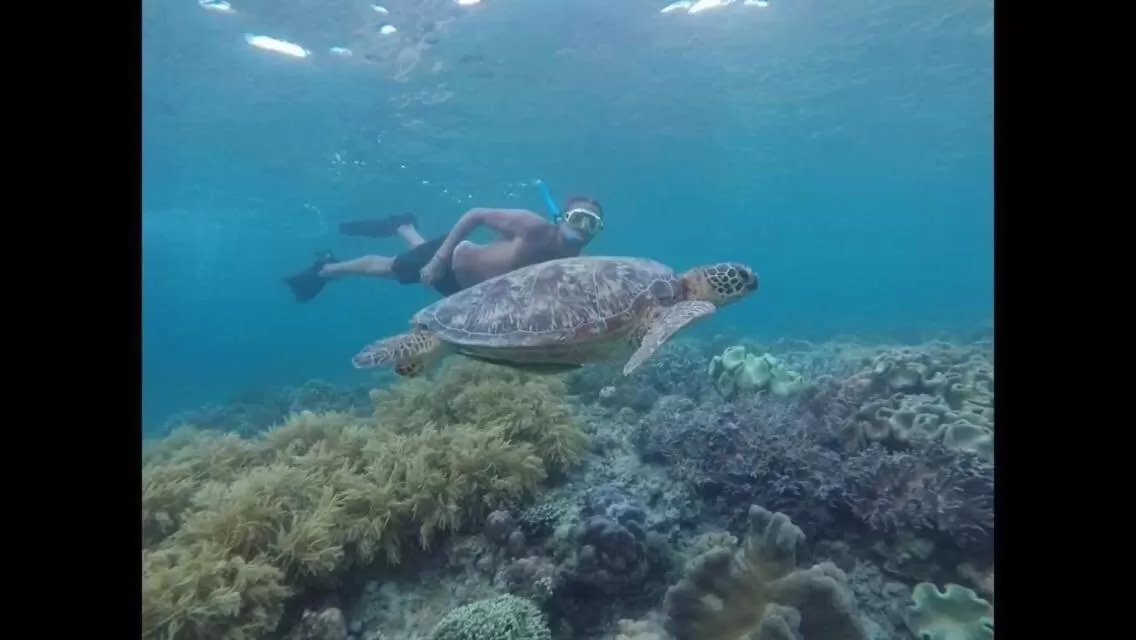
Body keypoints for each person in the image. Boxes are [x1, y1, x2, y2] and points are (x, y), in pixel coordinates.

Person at [284, 196, 605, 302]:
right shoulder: (533, 227)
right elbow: (475, 215)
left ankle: (403, 226)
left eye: (592, 225)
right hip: (453, 260)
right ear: (563, 217)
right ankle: (328, 269)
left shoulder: (576, 261)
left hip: (466, 292)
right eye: (578, 218)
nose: (582, 229)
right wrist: (438, 260)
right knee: (388, 268)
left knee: (411, 262)